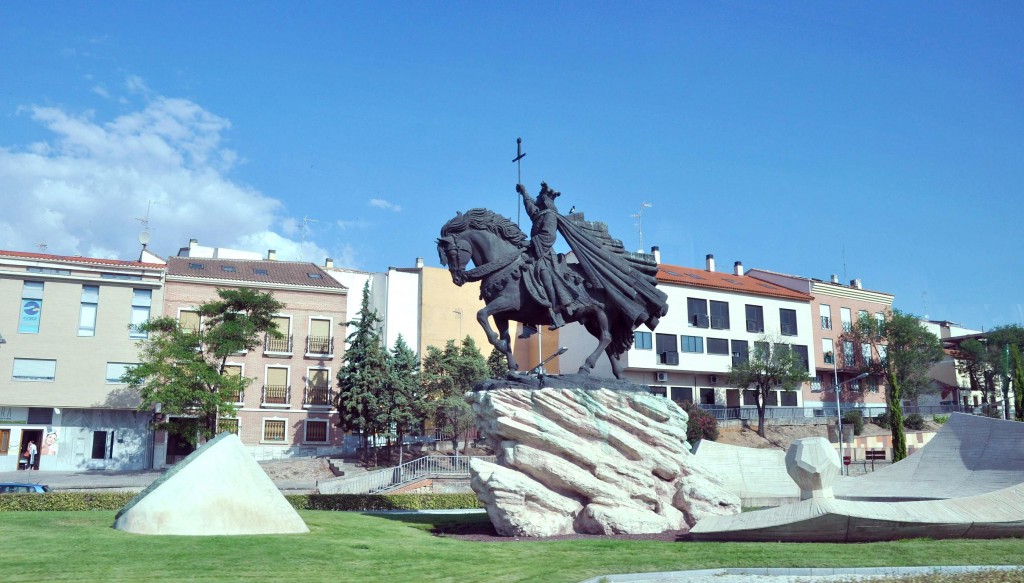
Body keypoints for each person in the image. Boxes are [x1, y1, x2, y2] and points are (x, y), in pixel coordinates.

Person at [518, 182, 586, 329]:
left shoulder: (550, 215)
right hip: (533, 251)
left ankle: (557, 313)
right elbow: (530, 208)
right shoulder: (539, 215)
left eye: (538, 197)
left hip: (545, 254)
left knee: (545, 275)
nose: (535, 199)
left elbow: (549, 236)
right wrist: (524, 193)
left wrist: (530, 243)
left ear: (543, 200)